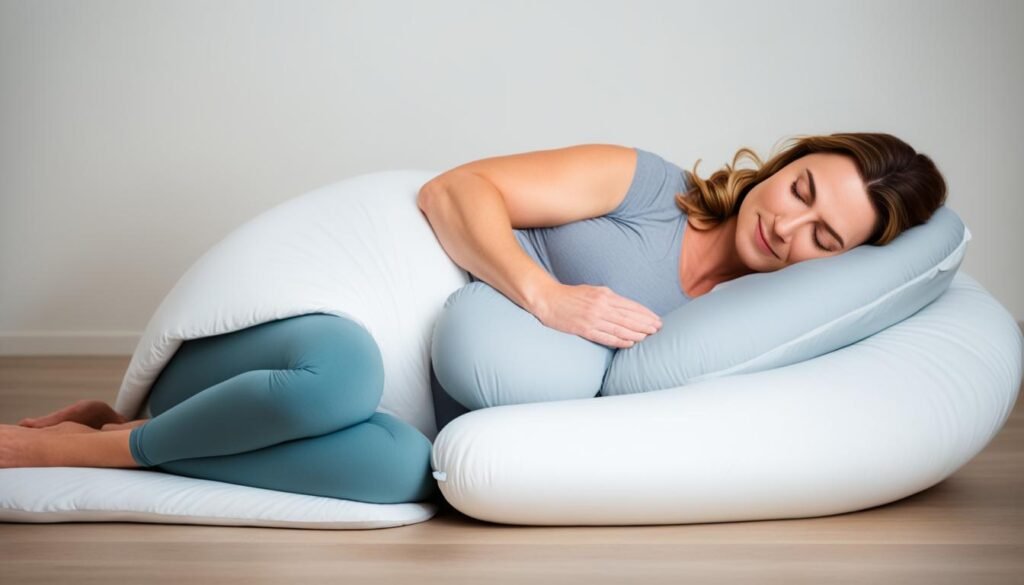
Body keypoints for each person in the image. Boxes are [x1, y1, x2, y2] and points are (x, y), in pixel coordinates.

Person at [1, 132, 947, 503]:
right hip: (324, 334)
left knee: (402, 473)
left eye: (826, 236)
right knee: (343, 372)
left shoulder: (743, 328)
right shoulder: (646, 185)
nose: (788, 225)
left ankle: (125, 431)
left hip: (409, 414)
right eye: (802, 189)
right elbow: (456, 191)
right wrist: (543, 295)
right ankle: (77, 451)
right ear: (786, 159)